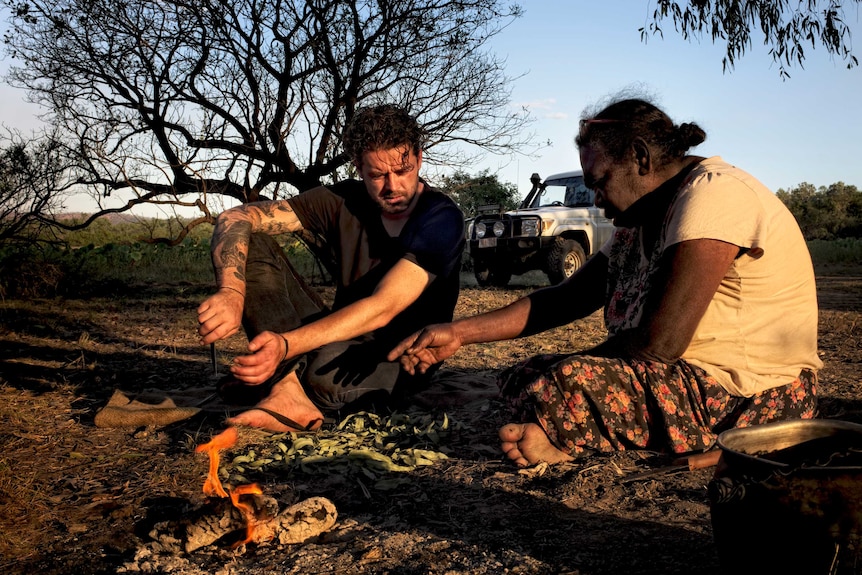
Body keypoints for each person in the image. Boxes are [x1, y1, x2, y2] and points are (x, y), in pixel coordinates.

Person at [390, 97, 822, 467]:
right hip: (681, 381)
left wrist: (573, 369)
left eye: (600, 183)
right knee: (528, 374)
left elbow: (661, 342)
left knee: (563, 380)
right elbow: (569, 297)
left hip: (745, 397)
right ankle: (574, 426)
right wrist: (459, 334)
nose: (596, 199)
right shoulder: (644, 217)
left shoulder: (714, 197)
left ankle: (565, 437)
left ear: (640, 157)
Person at [197, 104, 465, 433]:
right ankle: (287, 388)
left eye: (404, 170)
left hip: (399, 357)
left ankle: (288, 381)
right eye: (377, 175)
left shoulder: (441, 217)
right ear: (358, 167)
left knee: (326, 370)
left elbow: (382, 308)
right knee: (251, 242)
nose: (392, 185)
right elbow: (235, 217)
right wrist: (231, 292)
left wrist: (286, 345)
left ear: (419, 159)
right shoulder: (343, 199)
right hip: (334, 334)